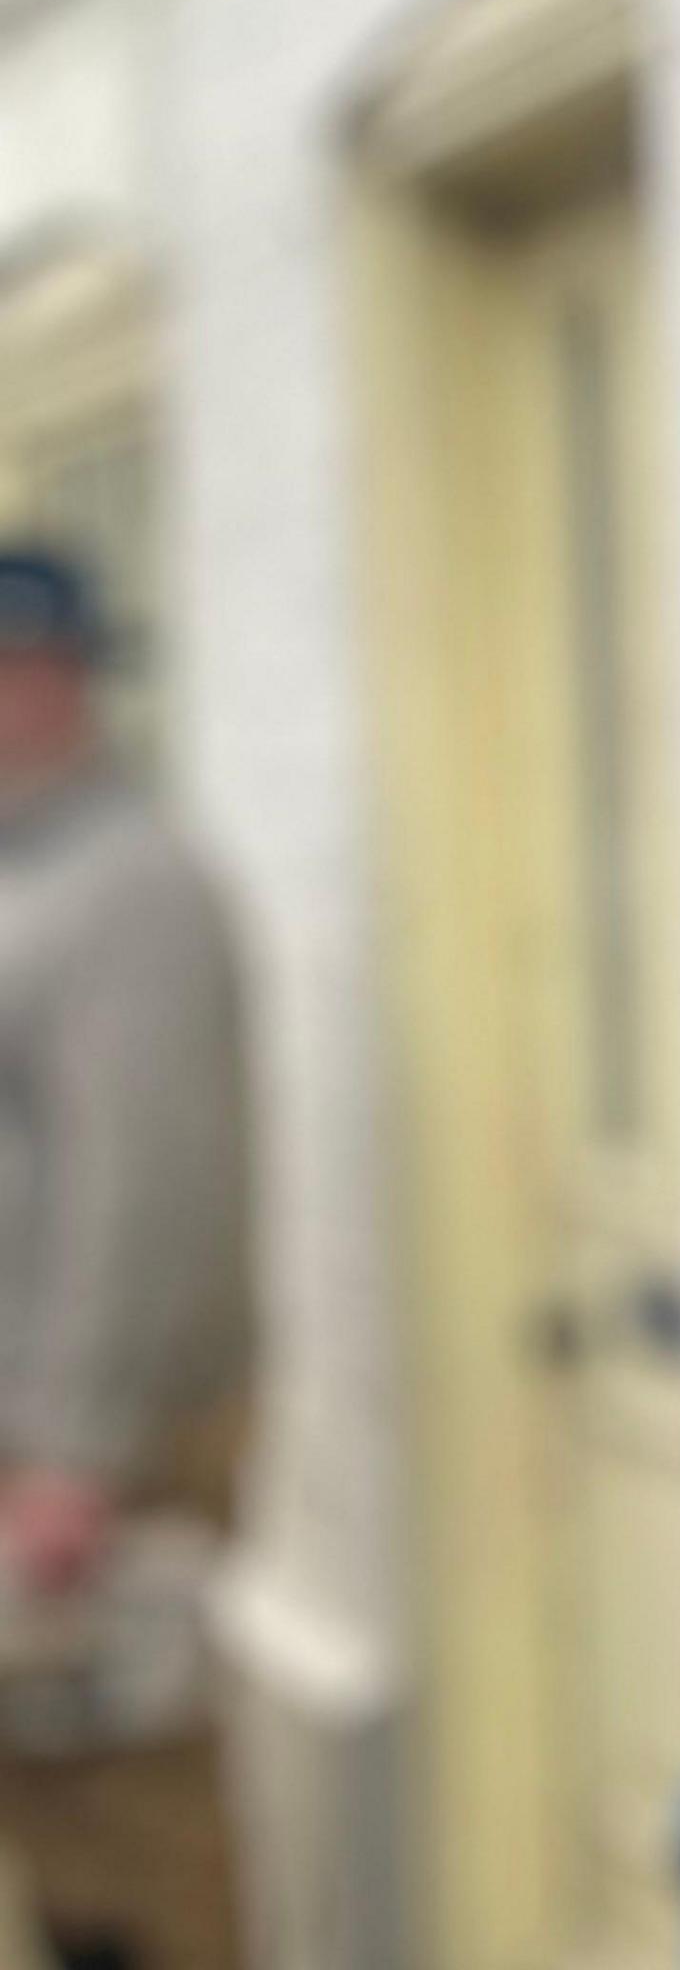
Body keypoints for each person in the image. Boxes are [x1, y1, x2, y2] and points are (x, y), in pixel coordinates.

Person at [0, 548, 252, 1970]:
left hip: (102, 1460)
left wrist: (78, 1453)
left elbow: (147, 1187)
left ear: (45, 679)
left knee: (138, 1837)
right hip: (45, 1447)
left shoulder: (127, 886)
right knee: (62, 1830)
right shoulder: (35, 870)